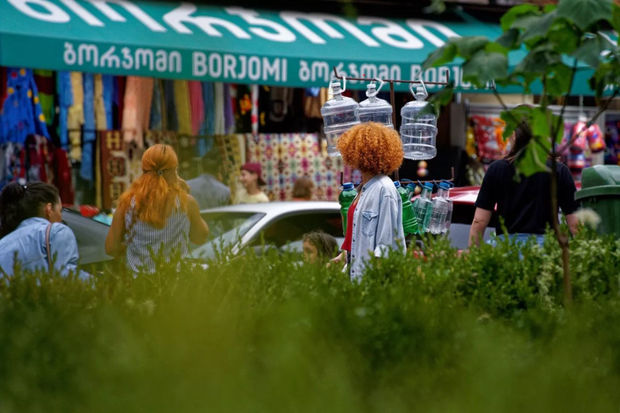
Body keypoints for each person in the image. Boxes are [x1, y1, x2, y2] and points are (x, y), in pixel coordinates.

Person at [468, 121, 580, 247]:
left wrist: (474, 253)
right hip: (546, 251)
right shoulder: (559, 171)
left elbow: (479, 221)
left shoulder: (496, 169)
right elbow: (574, 224)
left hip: (506, 250)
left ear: (514, 136)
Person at [105, 144, 209, 273]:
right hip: (174, 284)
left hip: (137, 285)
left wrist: (132, 247)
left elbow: (111, 248)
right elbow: (200, 237)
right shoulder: (186, 203)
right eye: (176, 170)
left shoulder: (126, 204)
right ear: (172, 172)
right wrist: (185, 193)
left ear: (144, 170)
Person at [330, 122, 406, 280]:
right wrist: (343, 257)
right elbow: (356, 236)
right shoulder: (363, 190)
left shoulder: (384, 190)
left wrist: (374, 288)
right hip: (355, 280)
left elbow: (385, 246)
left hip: (371, 284)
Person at [0, 181, 83, 277]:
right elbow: (67, 278)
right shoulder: (57, 232)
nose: (61, 217)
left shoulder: (3, 244)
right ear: (49, 209)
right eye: (60, 211)